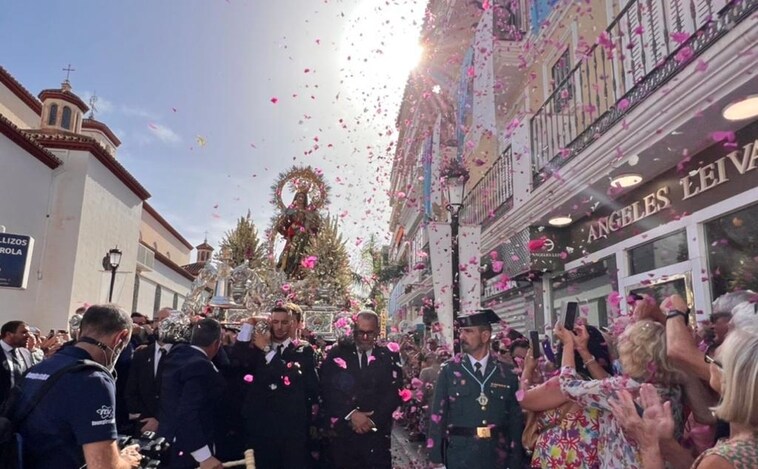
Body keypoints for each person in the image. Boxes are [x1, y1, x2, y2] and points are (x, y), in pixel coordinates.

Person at [611, 308, 758, 469]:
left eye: (712, 360)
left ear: (727, 379)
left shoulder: (723, 460)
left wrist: (649, 448)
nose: (708, 365)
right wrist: (667, 443)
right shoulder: (744, 445)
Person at [12, 304, 141, 469]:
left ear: (80, 331)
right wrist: (126, 460)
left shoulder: (39, 367)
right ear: (120, 337)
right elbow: (102, 465)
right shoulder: (94, 379)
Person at [556, 319, 682, 469]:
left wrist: (568, 344)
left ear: (632, 352)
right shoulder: (672, 387)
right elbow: (607, 383)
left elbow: (568, 386)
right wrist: (583, 351)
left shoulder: (624, 388)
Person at [427, 310, 524, 469]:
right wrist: (436, 459)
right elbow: (438, 415)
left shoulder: (507, 373)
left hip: (496, 456)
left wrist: (514, 460)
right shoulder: (449, 371)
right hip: (461, 456)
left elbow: (515, 420)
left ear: (485, 336)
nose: (462, 336)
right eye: (461, 332)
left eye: (469, 331)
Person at [231, 305, 319, 468]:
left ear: (293, 323)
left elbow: (290, 375)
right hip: (261, 428)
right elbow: (237, 357)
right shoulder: (257, 348)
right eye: (275, 322)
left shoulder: (302, 350)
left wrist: (267, 350)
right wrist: (249, 324)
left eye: (284, 322)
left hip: (291, 430)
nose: (279, 327)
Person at [319, 310, 402, 469]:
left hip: (376, 437)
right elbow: (327, 388)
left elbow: (394, 392)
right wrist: (351, 414)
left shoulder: (389, 356)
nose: (364, 337)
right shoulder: (338, 353)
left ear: (377, 332)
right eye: (361, 332)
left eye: (369, 333)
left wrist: (372, 420)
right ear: (354, 330)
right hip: (344, 437)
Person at [159, 318, 226, 469]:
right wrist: (204, 456)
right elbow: (187, 412)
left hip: (168, 440)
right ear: (217, 344)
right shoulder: (201, 366)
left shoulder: (175, 356)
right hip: (189, 450)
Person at [125, 308, 173, 434]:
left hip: (171, 428)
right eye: (157, 320)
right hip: (143, 425)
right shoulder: (142, 354)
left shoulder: (182, 354)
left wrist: (159, 420)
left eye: (165, 320)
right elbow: (131, 389)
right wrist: (142, 417)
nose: (159, 324)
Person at [275, 190, 320, 278]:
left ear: (305, 199)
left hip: (304, 236)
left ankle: (298, 270)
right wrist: (289, 226)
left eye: (302, 197)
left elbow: (314, 225)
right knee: (290, 253)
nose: (300, 198)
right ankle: (287, 271)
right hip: (292, 235)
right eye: (298, 196)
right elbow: (283, 222)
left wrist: (312, 220)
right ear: (295, 198)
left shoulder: (308, 211)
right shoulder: (291, 210)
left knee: (302, 253)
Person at [1, 321, 33, 406]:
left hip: (20, 407)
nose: (29, 336)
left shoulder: (26, 353)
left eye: (29, 332)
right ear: (9, 334)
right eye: (24, 332)